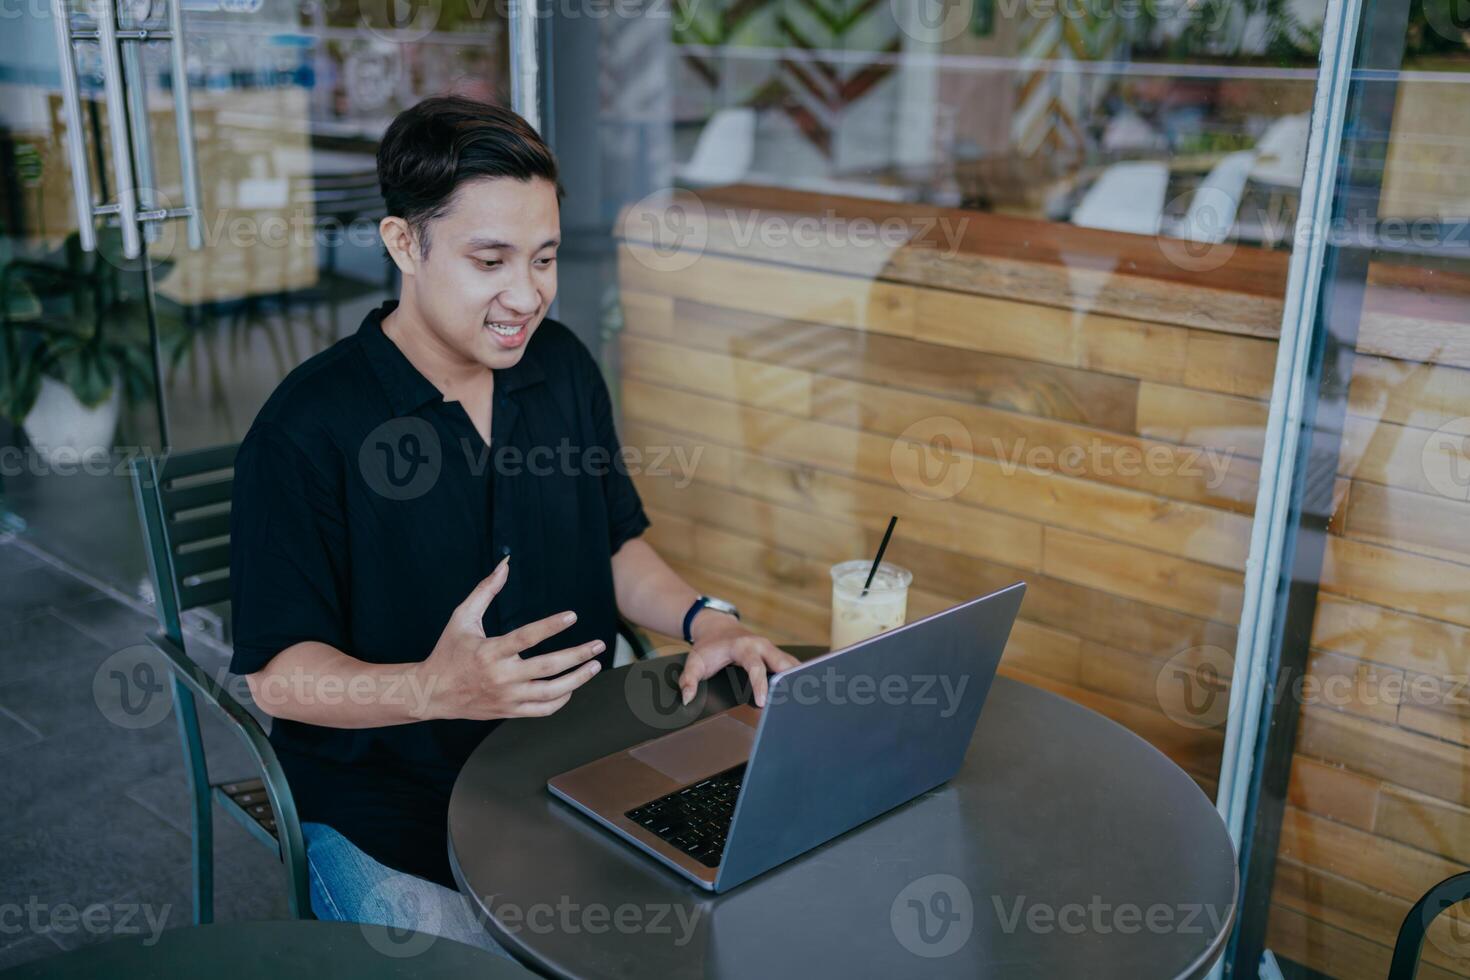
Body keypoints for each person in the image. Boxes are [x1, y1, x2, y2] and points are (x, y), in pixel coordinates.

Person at [229, 95, 797, 950]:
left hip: (575, 775)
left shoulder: (559, 367)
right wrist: (432, 688)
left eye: (545, 258)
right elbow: (276, 676)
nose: (525, 295)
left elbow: (612, 543)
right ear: (402, 245)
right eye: (490, 259)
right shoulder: (307, 427)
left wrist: (708, 621)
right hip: (391, 818)